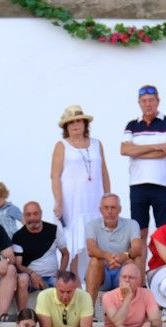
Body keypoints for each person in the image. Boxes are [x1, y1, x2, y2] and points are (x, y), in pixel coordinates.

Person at [50, 104, 108, 272]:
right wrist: (58, 201)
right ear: (66, 127)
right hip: (72, 201)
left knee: (94, 240)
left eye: (78, 121)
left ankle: (90, 281)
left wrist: (108, 196)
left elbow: (103, 171)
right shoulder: (62, 145)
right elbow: (55, 176)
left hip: (94, 199)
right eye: (71, 122)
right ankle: (72, 279)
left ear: (85, 124)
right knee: (74, 242)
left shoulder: (97, 144)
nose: (75, 125)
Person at [120, 85, 166, 250]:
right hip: (138, 185)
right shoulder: (132, 124)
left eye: (151, 100)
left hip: (163, 185)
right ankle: (139, 274)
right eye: (144, 101)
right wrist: (158, 146)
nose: (148, 104)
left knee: (164, 232)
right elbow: (124, 150)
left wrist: (137, 151)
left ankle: (163, 274)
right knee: (139, 234)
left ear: (158, 101)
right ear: (139, 103)